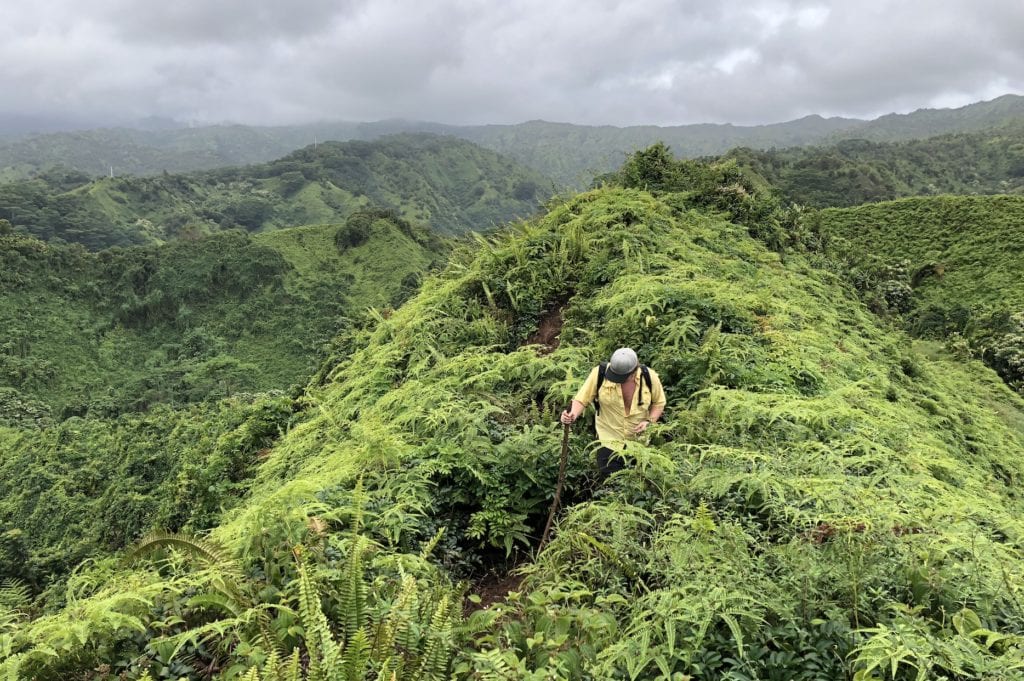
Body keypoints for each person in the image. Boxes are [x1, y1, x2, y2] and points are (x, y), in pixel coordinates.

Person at [561, 347, 666, 480]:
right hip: (608, 440)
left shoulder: (649, 377)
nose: (615, 379)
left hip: (639, 444)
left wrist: (649, 422)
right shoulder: (600, 373)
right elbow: (581, 400)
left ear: (633, 373)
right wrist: (572, 415)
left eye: (620, 377)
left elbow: (659, 403)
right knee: (612, 486)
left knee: (637, 486)